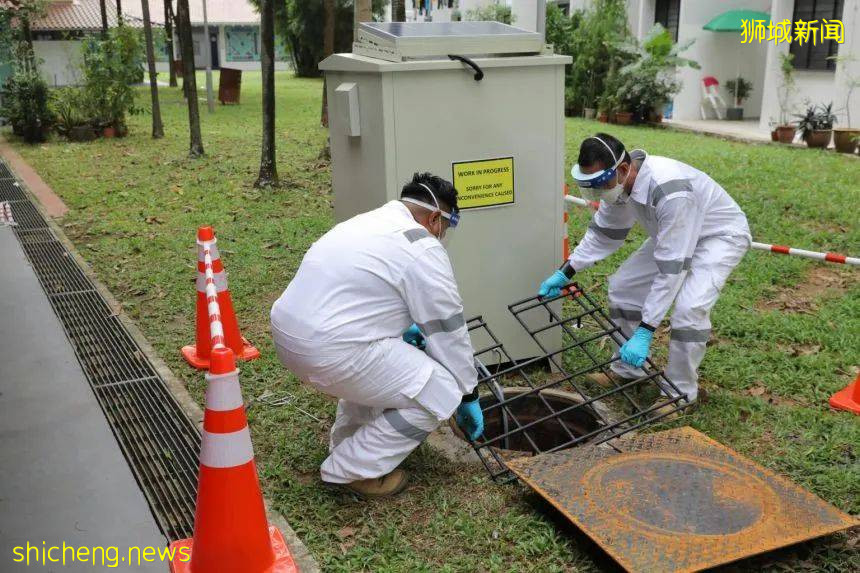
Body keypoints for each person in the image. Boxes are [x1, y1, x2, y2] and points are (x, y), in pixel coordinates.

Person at [271, 173, 483, 498]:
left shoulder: (368, 221)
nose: (442, 236)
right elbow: (448, 329)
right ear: (436, 218)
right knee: (439, 391)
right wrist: (466, 394)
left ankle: (347, 444)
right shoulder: (422, 246)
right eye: (445, 228)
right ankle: (351, 470)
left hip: (290, 335)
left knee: (381, 367)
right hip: (330, 349)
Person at [538, 133, 750, 413]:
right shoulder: (621, 186)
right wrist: (567, 271)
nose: (599, 193)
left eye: (600, 184)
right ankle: (627, 371)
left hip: (717, 236)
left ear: (623, 170)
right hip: (673, 233)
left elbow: (671, 269)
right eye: (591, 187)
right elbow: (604, 234)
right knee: (624, 287)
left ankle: (681, 393)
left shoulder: (669, 190)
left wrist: (647, 330)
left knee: (689, 310)